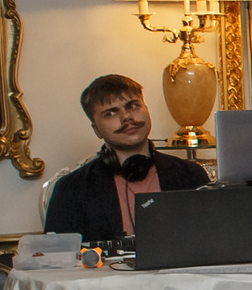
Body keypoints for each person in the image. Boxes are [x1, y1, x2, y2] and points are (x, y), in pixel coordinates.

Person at [41, 74, 207, 242]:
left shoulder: (192, 176)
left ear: (147, 110)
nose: (127, 117)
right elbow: (59, 263)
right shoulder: (71, 190)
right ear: (96, 129)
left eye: (134, 106)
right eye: (111, 113)